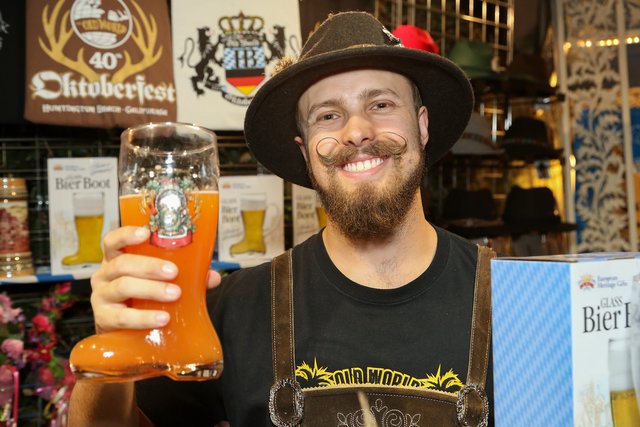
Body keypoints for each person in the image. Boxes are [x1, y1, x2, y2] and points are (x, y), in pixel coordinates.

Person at [69, 11, 495, 427]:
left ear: (422, 126)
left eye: (381, 104)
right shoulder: (234, 308)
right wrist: (116, 343)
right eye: (328, 115)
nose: (357, 131)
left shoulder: (515, 299)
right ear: (304, 150)